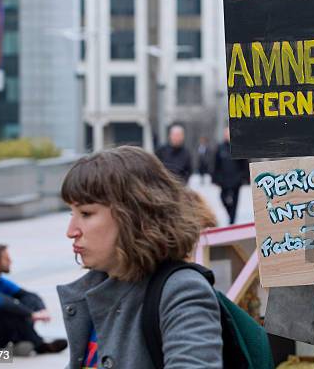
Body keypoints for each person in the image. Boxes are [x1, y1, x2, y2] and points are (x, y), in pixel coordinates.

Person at [59, 146, 222, 368]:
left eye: (86, 213)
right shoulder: (97, 290)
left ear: (134, 214)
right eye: (72, 213)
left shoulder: (181, 291)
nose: (71, 231)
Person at [0, 244, 68, 355]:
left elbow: (29, 295)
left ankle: (20, 340)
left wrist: (42, 310)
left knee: (26, 301)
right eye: (6, 259)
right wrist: (31, 314)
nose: (10, 261)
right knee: (6, 308)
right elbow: (1, 302)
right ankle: (39, 345)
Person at [212, 127, 249, 224]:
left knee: (235, 203)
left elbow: (245, 164)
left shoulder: (239, 147)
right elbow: (216, 165)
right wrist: (215, 178)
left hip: (236, 180)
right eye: (227, 133)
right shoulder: (220, 148)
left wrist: (244, 178)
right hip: (224, 180)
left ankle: (232, 222)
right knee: (223, 198)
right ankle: (230, 216)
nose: (228, 135)